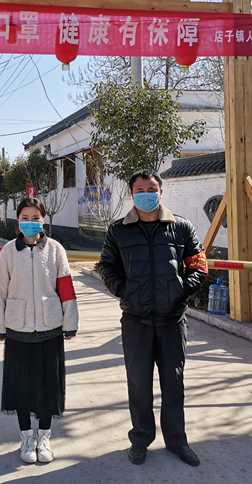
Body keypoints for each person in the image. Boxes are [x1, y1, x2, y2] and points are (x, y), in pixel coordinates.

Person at [97, 169, 208, 467]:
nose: (146, 195)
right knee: (139, 385)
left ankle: (177, 441)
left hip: (172, 321)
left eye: (152, 189)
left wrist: (181, 292)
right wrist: (126, 292)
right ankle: (141, 439)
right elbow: (106, 266)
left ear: (161, 192)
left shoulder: (181, 227)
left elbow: (199, 265)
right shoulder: (118, 230)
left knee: (174, 384)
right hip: (136, 321)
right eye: (140, 190)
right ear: (131, 194)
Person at [0, 198, 80, 464]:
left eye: (35, 217)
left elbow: (66, 288)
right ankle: (26, 438)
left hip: (50, 328)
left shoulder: (55, 249)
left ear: (43, 220)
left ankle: (44, 437)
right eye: (25, 218)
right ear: (18, 221)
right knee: (21, 388)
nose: (30, 222)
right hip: (18, 328)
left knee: (48, 387)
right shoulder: (8, 251)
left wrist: (70, 321)